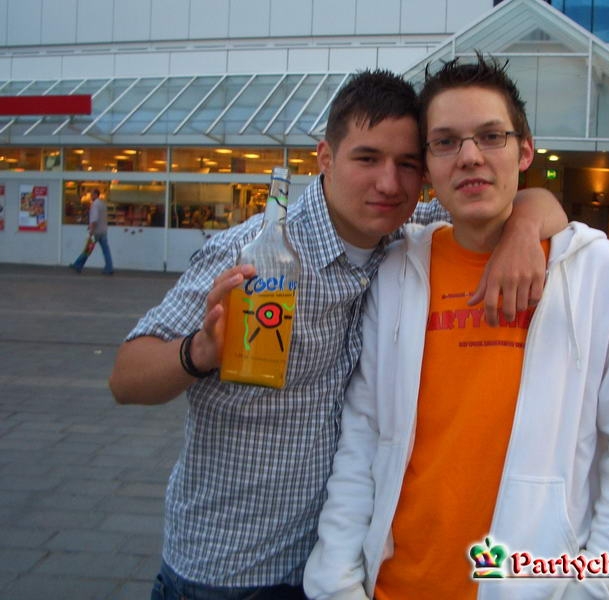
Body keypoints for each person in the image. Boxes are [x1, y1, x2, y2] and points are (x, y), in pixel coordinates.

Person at [108, 69, 568, 600]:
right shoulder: (251, 254)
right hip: (229, 570)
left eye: (407, 164)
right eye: (367, 159)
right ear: (325, 158)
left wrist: (522, 231)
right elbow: (125, 378)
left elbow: (523, 200)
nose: (388, 183)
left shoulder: (403, 234)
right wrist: (200, 352)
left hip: (337, 565)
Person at [303, 55, 609, 600]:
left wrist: (598, 588)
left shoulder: (595, 273)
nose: (470, 156)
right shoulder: (399, 270)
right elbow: (365, 437)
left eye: (491, 136)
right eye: (445, 142)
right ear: (428, 167)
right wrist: (337, 581)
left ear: (525, 151)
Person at [70, 189, 114, 275]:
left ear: (96, 195)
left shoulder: (94, 205)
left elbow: (95, 219)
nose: (90, 196)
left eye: (92, 194)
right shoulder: (102, 204)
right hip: (103, 231)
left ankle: (78, 265)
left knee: (88, 249)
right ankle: (109, 268)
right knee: (106, 251)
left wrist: (91, 230)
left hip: (95, 232)